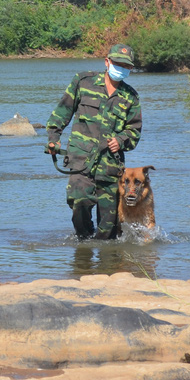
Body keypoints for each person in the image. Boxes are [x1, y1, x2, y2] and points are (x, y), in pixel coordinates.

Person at [46, 43, 142, 240]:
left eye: (126, 66)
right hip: (80, 160)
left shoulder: (131, 97)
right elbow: (62, 112)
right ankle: (84, 248)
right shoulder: (83, 82)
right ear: (107, 62)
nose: (121, 68)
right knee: (79, 202)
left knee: (109, 227)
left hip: (110, 166)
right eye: (117, 63)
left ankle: (107, 264)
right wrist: (53, 139)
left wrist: (121, 140)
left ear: (131, 68)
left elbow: (134, 131)